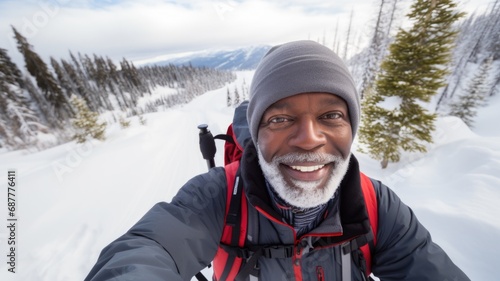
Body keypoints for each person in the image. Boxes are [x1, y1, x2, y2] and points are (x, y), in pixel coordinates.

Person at [85, 40, 470, 281]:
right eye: (281, 118)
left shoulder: (377, 205)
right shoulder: (216, 195)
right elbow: (147, 251)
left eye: (331, 116)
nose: (309, 138)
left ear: (351, 128)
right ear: (257, 133)